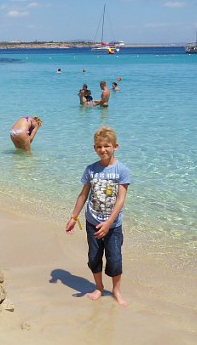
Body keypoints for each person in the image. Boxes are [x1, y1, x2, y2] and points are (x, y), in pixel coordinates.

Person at [65, 126, 130, 306]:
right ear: (95, 148)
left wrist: (109, 222)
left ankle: (116, 290)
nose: (103, 150)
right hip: (92, 222)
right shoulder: (91, 170)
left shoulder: (122, 170)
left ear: (115, 147)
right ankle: (99, 287)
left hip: (113, 226)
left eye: (107, 146)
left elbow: (121, 199)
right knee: (94, 257)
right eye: (99, 146)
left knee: (115, 259)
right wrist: (74, 217)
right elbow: (83, 195)